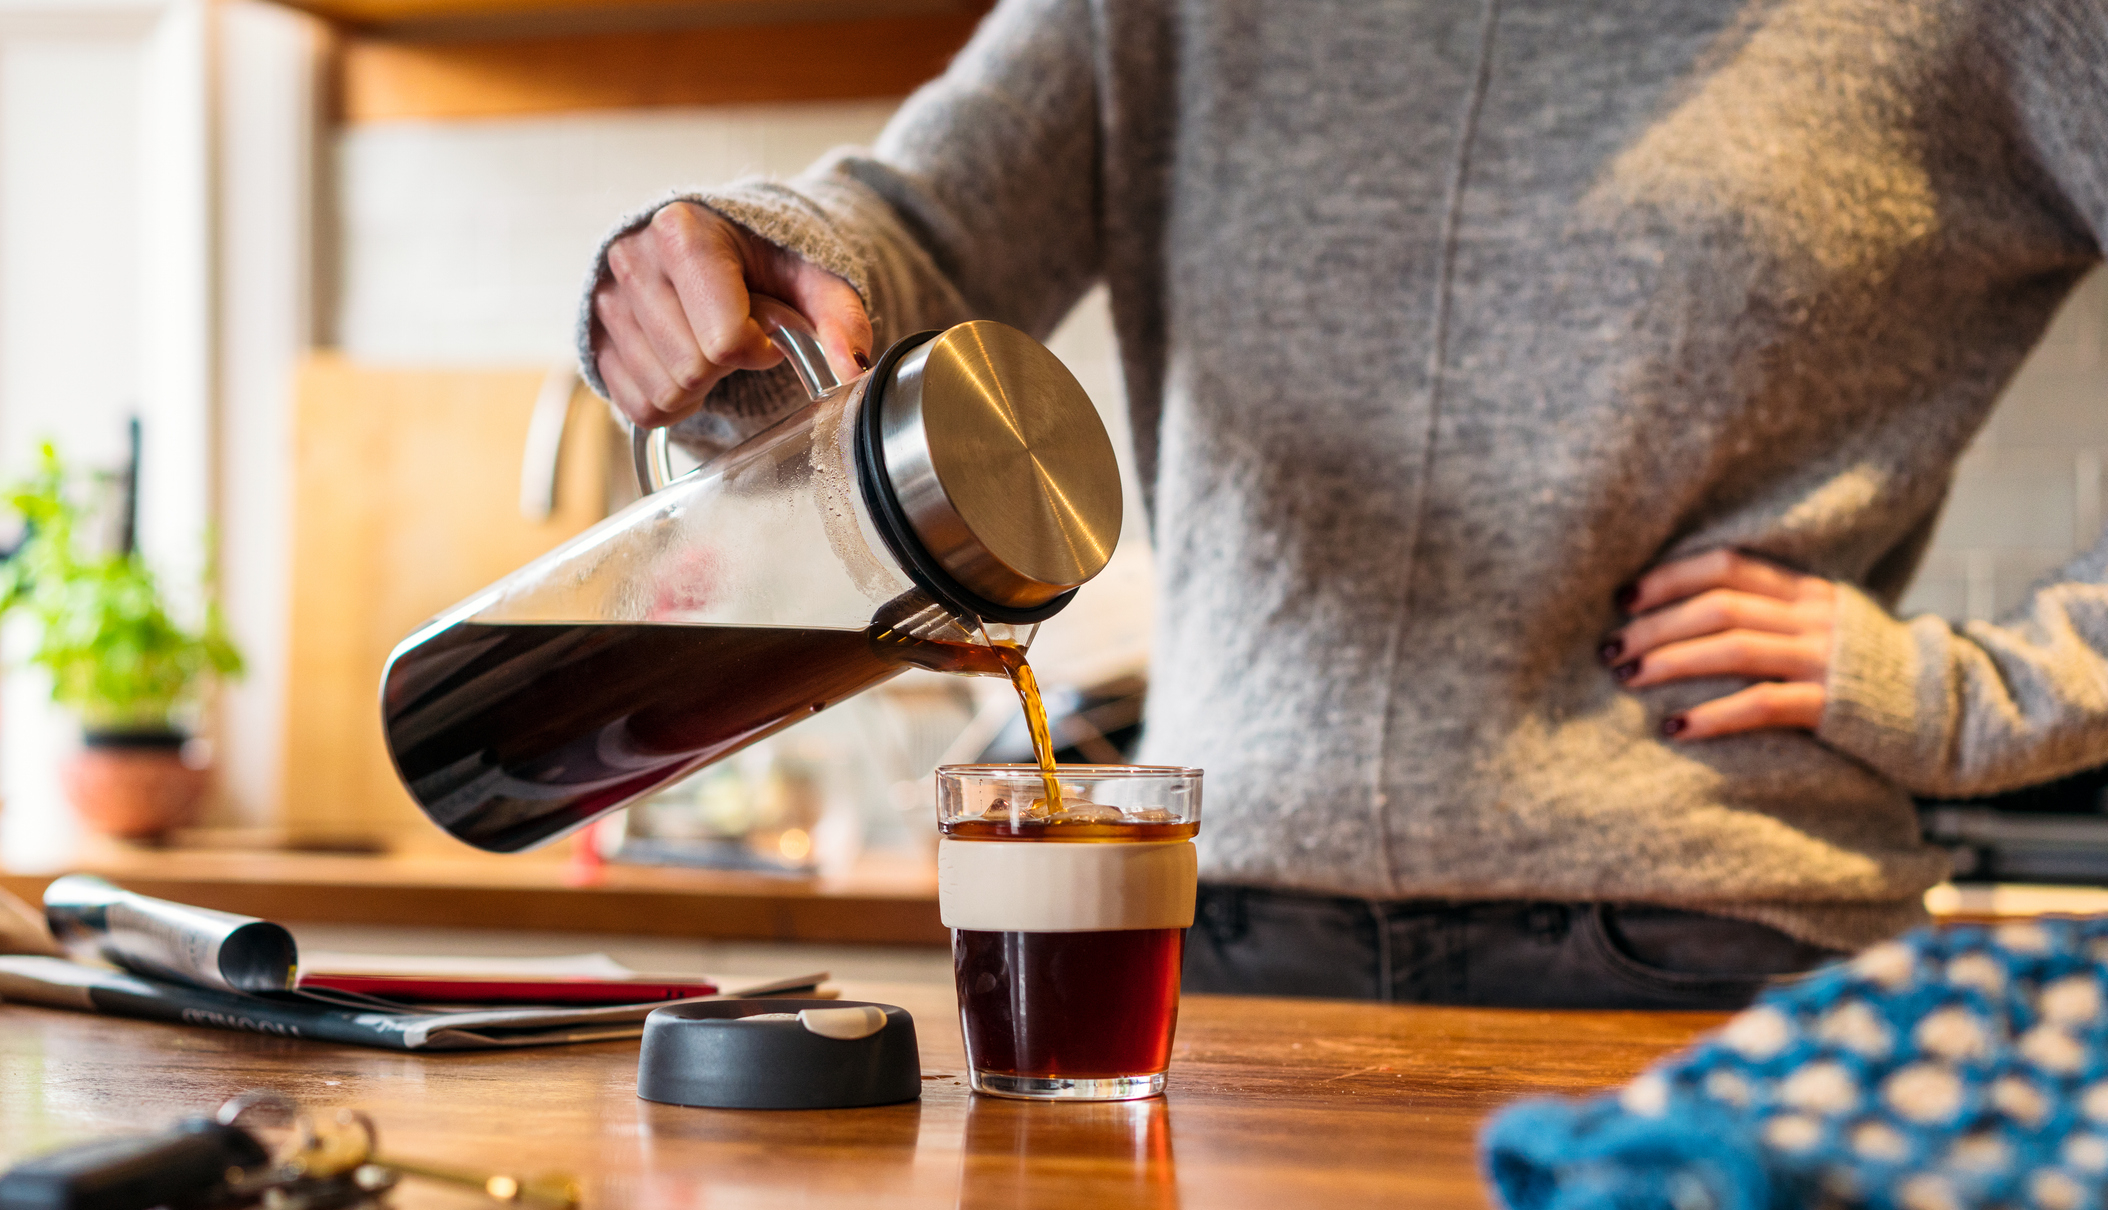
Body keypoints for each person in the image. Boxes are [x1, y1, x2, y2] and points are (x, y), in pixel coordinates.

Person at [579, 0, 2108, 1008]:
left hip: (1705, 951)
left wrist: (1967, 697)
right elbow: (907, 233)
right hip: (1223, 940)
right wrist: (752, 267)